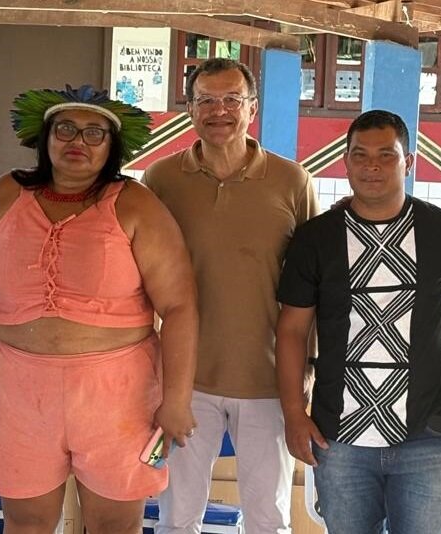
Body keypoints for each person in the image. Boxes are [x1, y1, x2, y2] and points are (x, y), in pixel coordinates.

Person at [0, 84, 198, 533]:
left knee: (113, 525)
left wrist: (176, 400)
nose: (77, 142)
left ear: (112, 147)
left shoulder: (136, 204)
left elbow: (180, 305)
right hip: (19, 388)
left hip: (118, 392)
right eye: (66, 129)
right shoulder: (3, 195)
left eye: (95, 134)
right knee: (26, 523)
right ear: (45, 137)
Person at [144, 58, 318, 534]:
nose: (218, 111)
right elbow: (140, 278)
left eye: (231, 100)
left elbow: (316, 284)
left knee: (269, 520)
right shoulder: (161, 180)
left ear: (252, 109)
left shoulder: (291, 181)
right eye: (206, 100)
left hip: (269, 381)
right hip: (185, 380)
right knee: (177, 518)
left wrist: (307, 368)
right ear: (189, 110)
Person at [276, 110, 441, 534]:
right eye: (361, 155)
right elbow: (292, 331)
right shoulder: (315, 238)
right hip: (339, 437)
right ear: (346, 161)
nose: (373, 165)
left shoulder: (440, 231)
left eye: (387, 155)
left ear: (410, 162)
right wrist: (295, 414)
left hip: (430, 436)